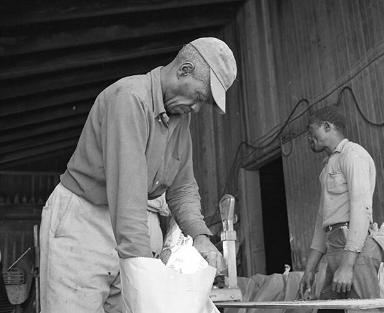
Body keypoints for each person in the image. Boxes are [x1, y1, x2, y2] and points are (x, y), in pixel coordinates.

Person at [39, 37, 237, 313]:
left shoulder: (180, 117)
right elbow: (127, 192)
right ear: (184, 70)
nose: (197, 108)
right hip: (83, 221)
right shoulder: (130, 98)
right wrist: (145, 271)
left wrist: (200, 237)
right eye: (200, 97)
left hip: (126, 223)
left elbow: (182, 186)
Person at [298, 107, 382, 305]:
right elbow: (322, 220)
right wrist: (309, 270)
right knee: (328, 307)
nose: (309, 138)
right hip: (335, 248)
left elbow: (362, 210)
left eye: (311, 132)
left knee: (364, 310)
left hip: (355, 251)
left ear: (327, 127)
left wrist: (347, 265)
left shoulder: (353, 155)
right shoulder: (328, 167)